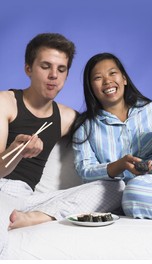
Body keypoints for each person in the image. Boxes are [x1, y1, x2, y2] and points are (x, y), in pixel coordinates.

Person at [0, 35, 123, 241]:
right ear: (28, 69)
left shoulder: (67, 117)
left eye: (61, 69)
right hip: (3, 188)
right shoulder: (6, 102)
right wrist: (16, 150)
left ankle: (39, 216)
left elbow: (107, 130)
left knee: (116, 187)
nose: (53, 76)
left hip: (29, 199)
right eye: (45, 66)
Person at [72, 52, 152, 220]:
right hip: (142, 191)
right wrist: (120, 165)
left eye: (112, 73)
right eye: (98, 78)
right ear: (91, 88)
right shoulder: (86, 127)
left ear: (124, 79)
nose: (107, 81)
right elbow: (85, 171)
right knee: (134, 191)